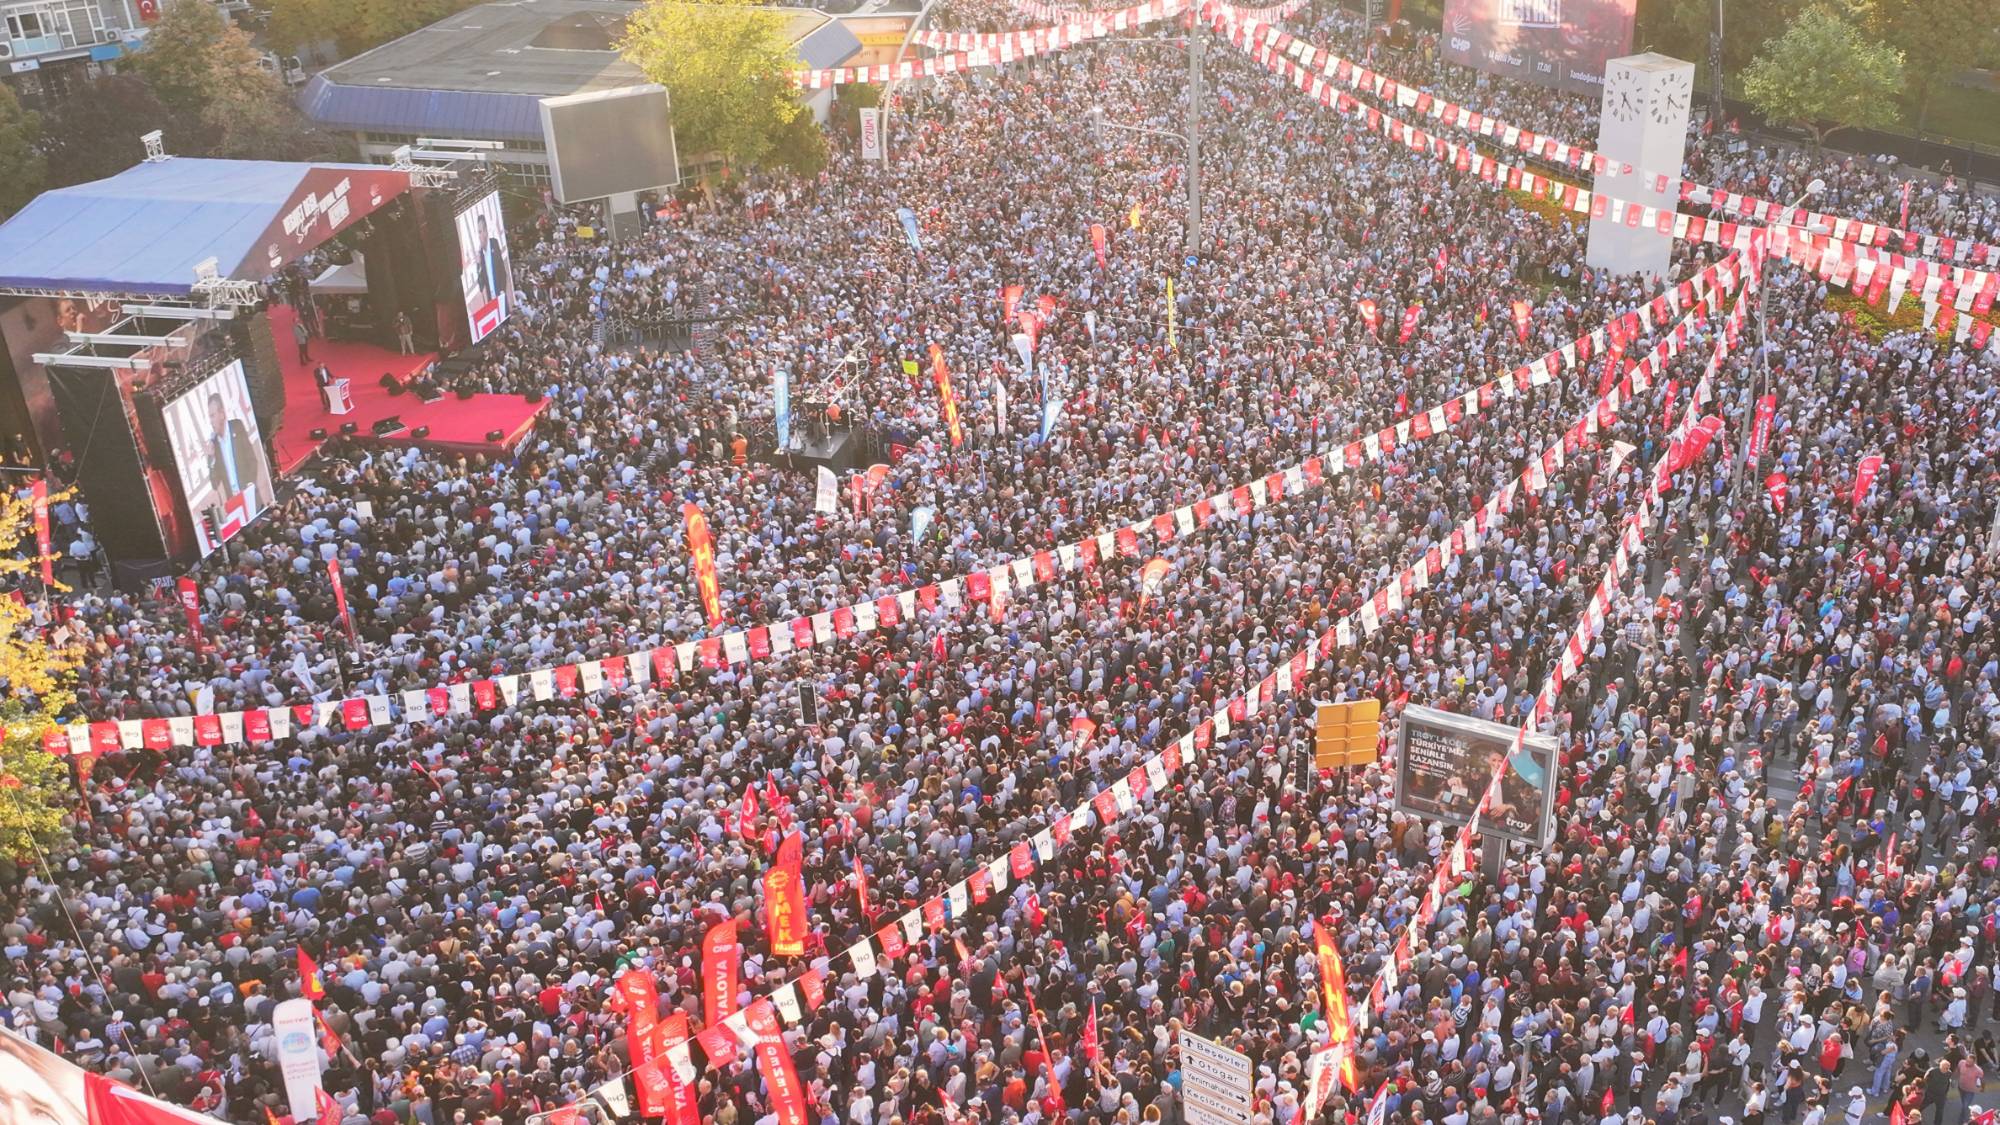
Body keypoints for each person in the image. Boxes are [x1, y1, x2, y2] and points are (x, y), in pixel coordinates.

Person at [202, 390, 267, 519]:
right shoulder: (214, 444)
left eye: (213, 415)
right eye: (209, 416)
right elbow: (215, 483)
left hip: (249, 494)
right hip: (234, 503)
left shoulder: (237, 426)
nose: (211, 421)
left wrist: (249, 486)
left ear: (222, 414)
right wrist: (212, 457)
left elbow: (252, 459)